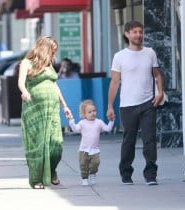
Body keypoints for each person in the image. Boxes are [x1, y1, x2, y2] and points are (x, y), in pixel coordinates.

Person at [106, 20, 164, 186]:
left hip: (148, 103)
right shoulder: (119, 57)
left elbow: (158, 75)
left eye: (140, 32)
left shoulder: (150, 53)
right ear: (127, 34)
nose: (138, 35)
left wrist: (160, 93)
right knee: (129, 140)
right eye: (135, 32)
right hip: (128, 105)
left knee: (149, 140)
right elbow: (115, 83)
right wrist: (110, 106)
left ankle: (151, 174)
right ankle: (126, 173)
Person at [18, 35, 72, 189]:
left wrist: (65, 106)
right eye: (52, 50)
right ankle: (36, 179)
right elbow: (21, 82)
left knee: (56, 145)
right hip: (34, 109)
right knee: (38, 145)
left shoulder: (49, 65)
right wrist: (24, 91)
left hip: (52, 109)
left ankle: (52, 170)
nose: (54, 54)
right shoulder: (26, 63)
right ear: (44, 48)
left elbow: (54, 86)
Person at [66, 99, 114, 186]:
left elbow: (108, 129)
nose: (93, 113)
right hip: (83, 150)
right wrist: (71, 121)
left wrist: (111, 121)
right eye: (89, 112)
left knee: (95, 163)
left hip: (95, 150)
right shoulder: (82, 123)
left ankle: (93, 174)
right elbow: (75, 129)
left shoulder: (99, 122)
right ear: (84, 114)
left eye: (94, 111)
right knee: (83, 165)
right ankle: (84, 179)